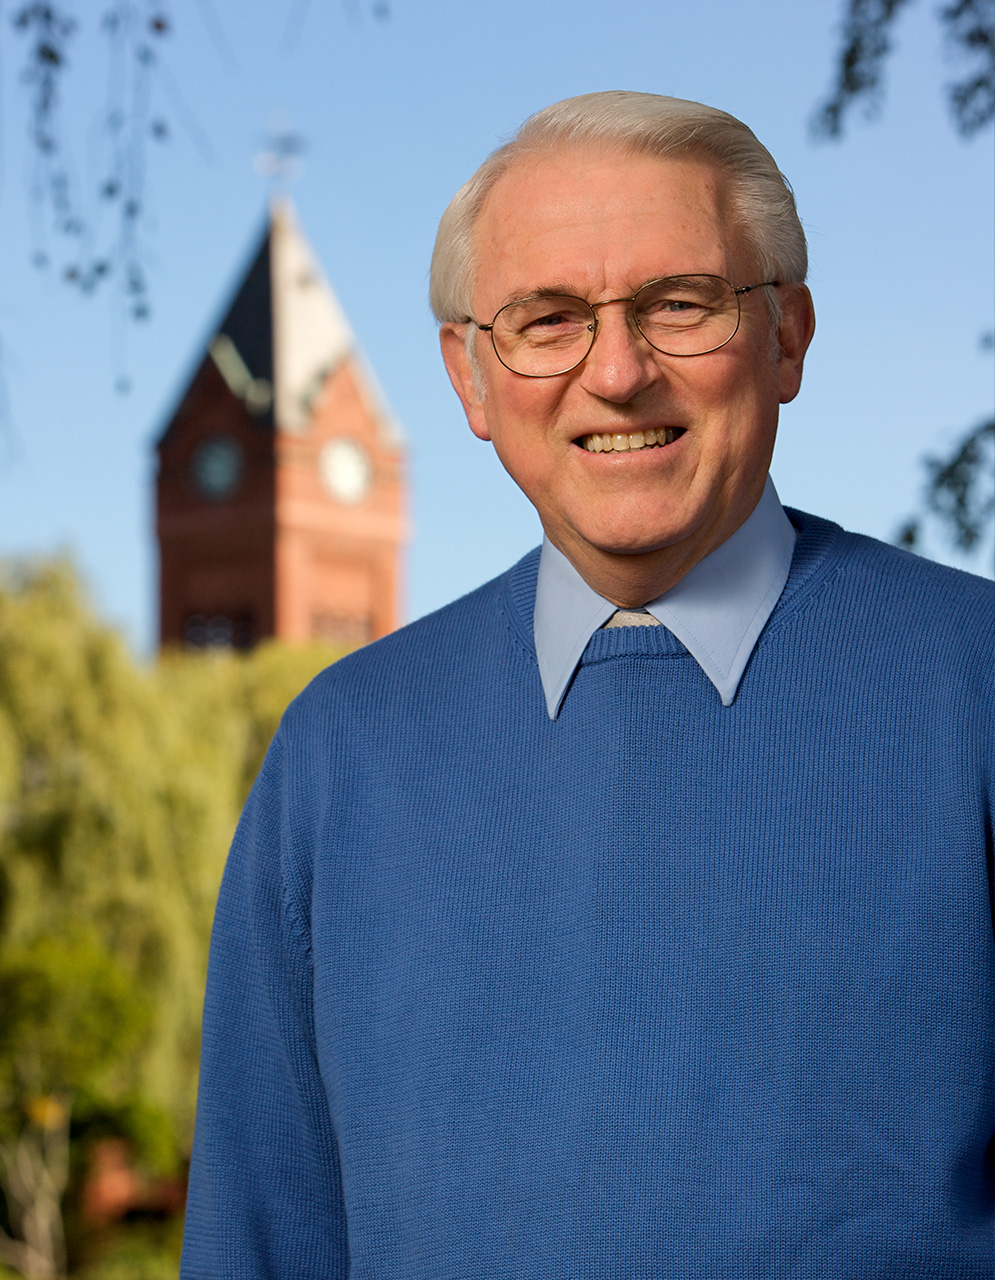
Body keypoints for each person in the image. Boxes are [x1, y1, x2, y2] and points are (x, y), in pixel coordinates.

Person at [181, 92, 993, 1278]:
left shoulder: (970, 685)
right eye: (546, 319)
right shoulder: (337, 755)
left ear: (785, 338)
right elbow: (259, 1235)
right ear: (468, 376)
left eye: (678, 304)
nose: (616, 371)